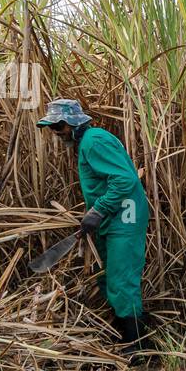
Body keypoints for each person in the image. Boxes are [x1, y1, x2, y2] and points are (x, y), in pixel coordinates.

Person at [36, 99, 151, 357]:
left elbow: (125, 179)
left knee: (121, 280)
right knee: (109, 277)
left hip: (125, 218)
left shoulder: (93, 141)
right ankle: (127, 336)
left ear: (70, 123)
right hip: (114, 219)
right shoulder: (87, 143)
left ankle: (138, 346)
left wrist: (98, 210)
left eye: (57, 127)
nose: (55, 133)